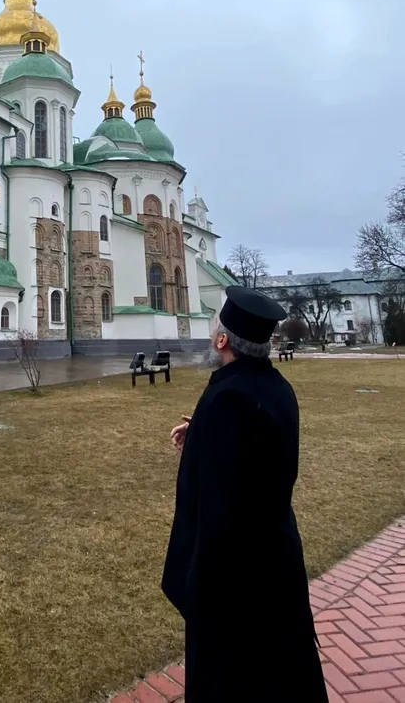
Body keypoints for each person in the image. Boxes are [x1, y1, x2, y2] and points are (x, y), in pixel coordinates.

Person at [161, 285, 328, 703]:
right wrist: (200, 433)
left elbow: (222, 508)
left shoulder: (228, 400)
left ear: (222, 341)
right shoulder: (272, 386)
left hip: (237, 585)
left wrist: (198, 584)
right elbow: (255, 451)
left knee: (238, 682)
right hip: (276, 562)